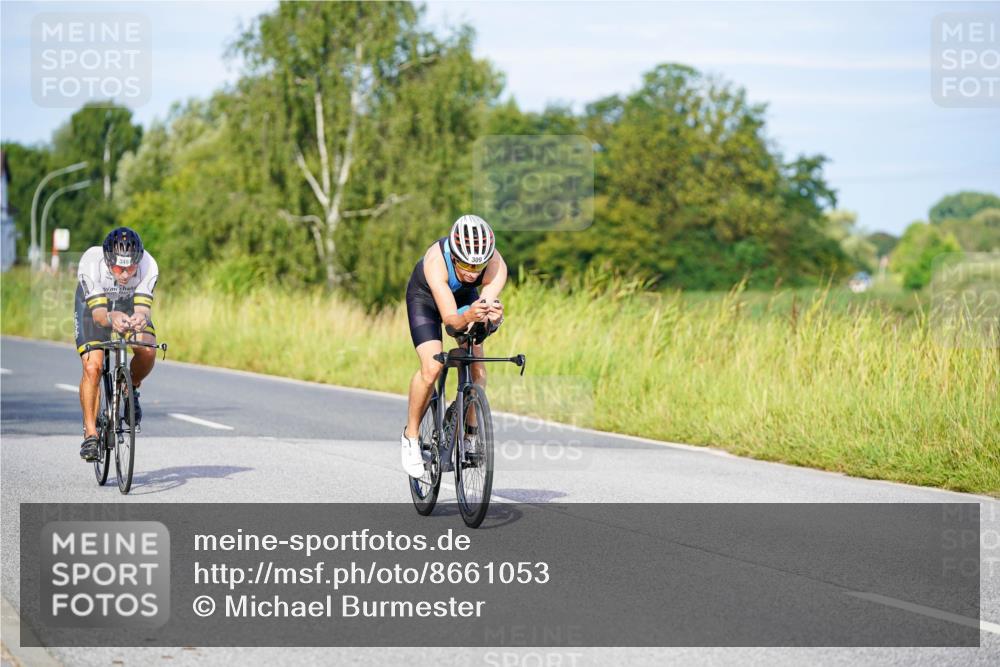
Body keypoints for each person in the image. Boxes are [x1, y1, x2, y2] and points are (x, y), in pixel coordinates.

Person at [401, 215, 507, 477]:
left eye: (478, 266)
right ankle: (411, 437)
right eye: (464, 264)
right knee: (432, 366)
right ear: (454, 254)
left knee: (478, 372)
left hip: (464, 300)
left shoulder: (496, 265)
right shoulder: (436, 262)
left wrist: (491, 319)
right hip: (425, 298)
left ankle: (468, 432)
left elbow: (482, 313)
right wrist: (469, 317)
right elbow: (451, 323)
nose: (472, 272)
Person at [75, 227, 159, 461]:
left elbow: (142, 308)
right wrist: (112, 319)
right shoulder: (92, 264)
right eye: (119, 268)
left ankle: (130, 387)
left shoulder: (148, 265)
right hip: (94, 306)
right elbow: (101, 316)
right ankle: (90, 435)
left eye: (130, 267)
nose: (124, 273)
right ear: (108, 261)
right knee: (93, 366)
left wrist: (140, 319)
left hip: (127, 303)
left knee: (149, 349)